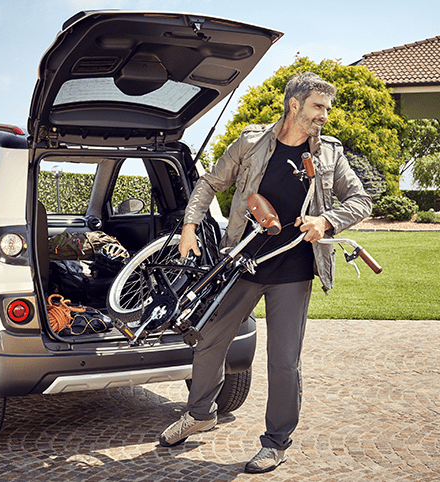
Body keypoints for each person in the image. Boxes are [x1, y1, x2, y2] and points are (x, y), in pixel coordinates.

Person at [158, 72, 371, 474]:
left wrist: (326, 222)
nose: (325, 115)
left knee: (283, 360)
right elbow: (208, 183)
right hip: (243, 263)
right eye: (318, 107)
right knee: (208, 339)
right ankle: (201, 412)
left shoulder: (330, 153)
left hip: (293, 270)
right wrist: (189, 226)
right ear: (295, 105)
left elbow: (360, 200)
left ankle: (275, 443)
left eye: (327, 108)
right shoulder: (251, 142)